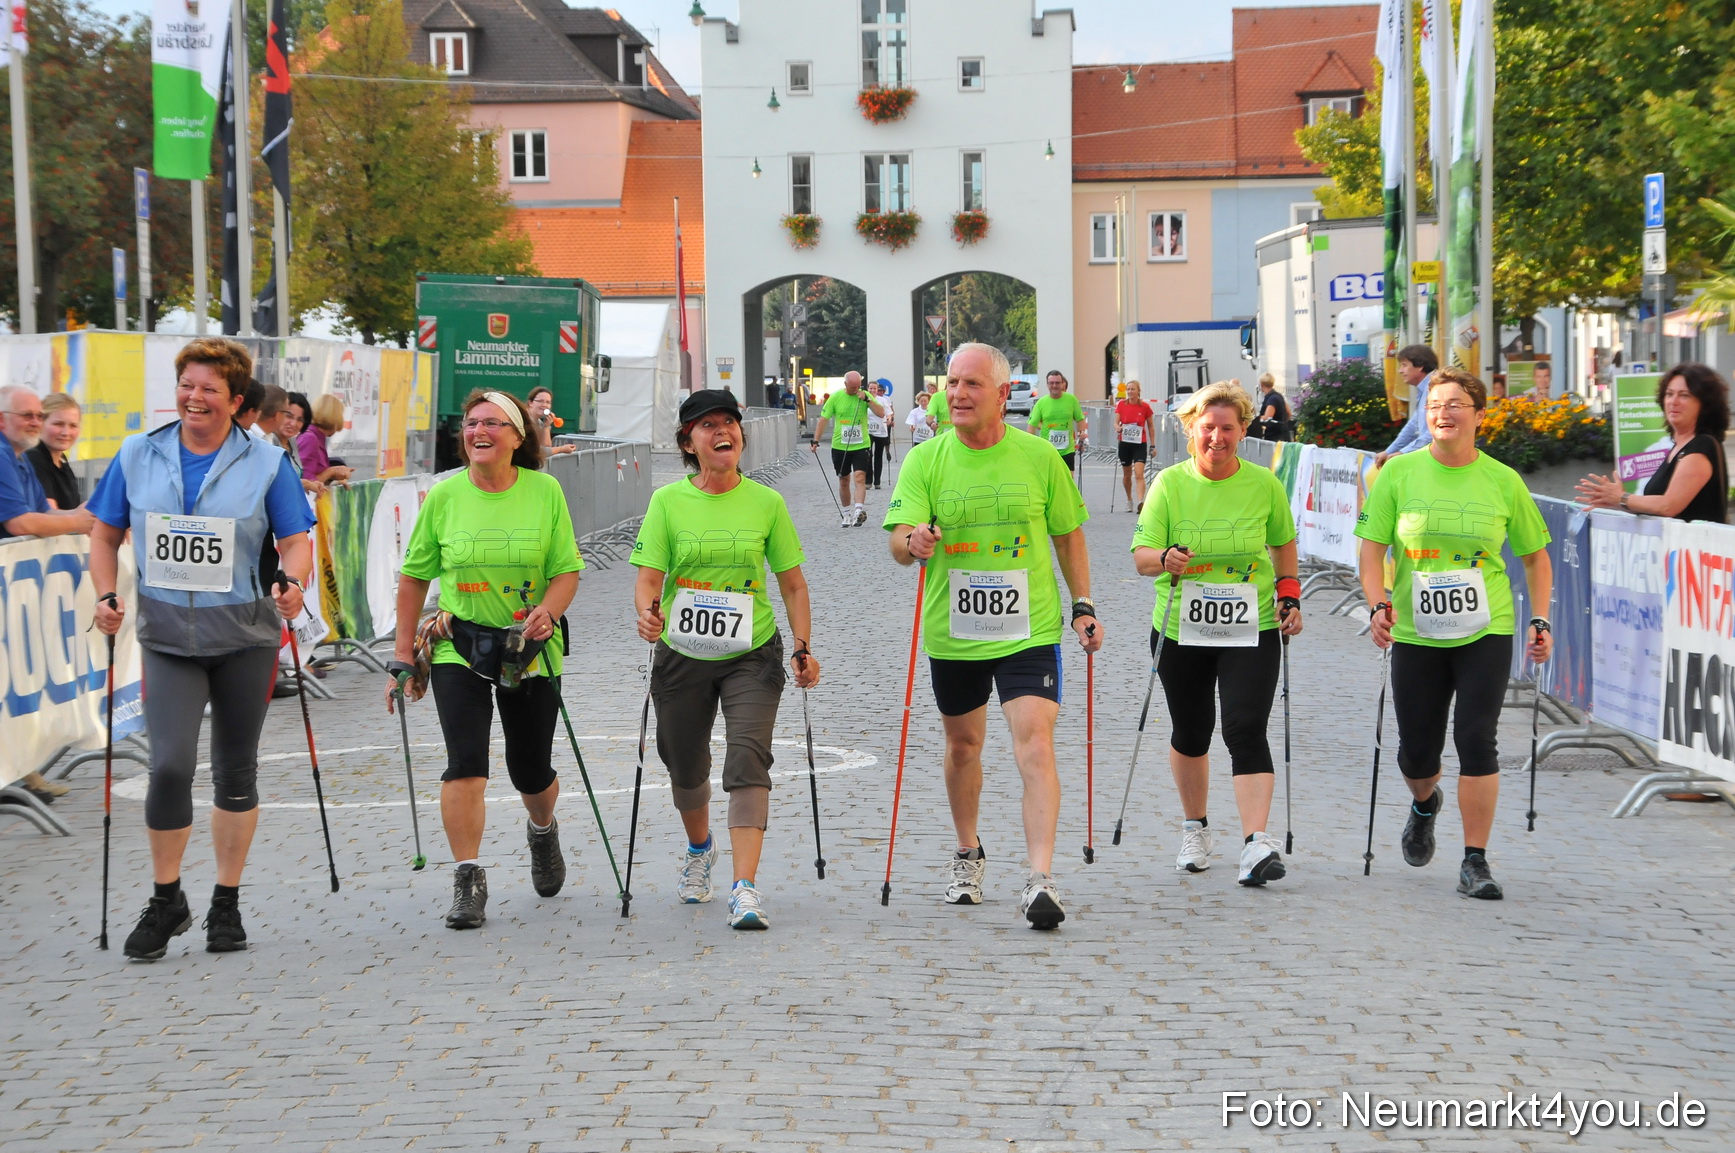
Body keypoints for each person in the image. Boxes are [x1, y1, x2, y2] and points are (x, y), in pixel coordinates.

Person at [87, 338, 315, 959]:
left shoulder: (267, 463)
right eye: (187, 384)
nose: (194, 397)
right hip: (167, 638)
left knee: (236, 770)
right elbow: (103, 536)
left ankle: (226, 901)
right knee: (168, 766)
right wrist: (106, 594)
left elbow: (298, 542)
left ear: (235, 400)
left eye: (209, 388)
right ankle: (167, 899)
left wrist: (293, 585)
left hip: (243, 635)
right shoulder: (138, 453)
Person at [884, 342, 1103, 930]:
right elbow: (899, 541)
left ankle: (1040, 877)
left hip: (1027, 627)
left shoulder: (1037, 457)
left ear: (1003, 395)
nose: (957, 394)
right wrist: (914, 543)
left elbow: (1068, 535)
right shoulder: (925, 460)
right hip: (954, 632)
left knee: (1034, 740)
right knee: (963, 747)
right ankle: (968, 852)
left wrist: (1082, 604)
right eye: (951, 382)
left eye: (971, 384)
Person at [387, 390, 582, 930]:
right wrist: (404, 653)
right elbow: (413, 577)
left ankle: (542, 830)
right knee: (465, 760)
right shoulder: (444, 497)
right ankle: (468, 877)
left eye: (493, 424)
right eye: (472, 423)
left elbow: (567, 569)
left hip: (529, 646)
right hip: (459, 643)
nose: (479, 432)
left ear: (518, 436)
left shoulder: (545, 492)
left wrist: (548, 609)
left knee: (530, 769)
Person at [1356, 367, 1553, 901]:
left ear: (1479, 415)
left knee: (1475, 736)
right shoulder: (1397, 475)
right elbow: (1372, 549)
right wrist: (1377, 603)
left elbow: (1536, 558)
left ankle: (1475, 860)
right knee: (1417, 753)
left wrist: (1540, 618)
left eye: (1455, 404)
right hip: (1417, 632)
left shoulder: (1503, 480)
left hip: (1485, 628)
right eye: (1435, 405)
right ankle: (1424, 803)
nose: (1443, 413)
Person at [631, 389, 820, 930]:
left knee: (747, 758)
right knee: (684, 762)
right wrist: (647, 614)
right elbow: (648, 577)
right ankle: (699, 850)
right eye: (707, 425)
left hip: (751, 652)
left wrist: (803, 646)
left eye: (730, 423)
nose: (723, 432)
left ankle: (745, 887)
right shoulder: (668, 502)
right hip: (682, 652)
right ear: (689, 441)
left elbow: (792, 582)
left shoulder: (767, 503)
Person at [1131, 381, 1303, 885]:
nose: (1217, 438)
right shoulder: (1169, 484)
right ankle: (1196, 827)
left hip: (1252, 624)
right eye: (1208, 428)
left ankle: (1255, 843)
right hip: (1181, 627)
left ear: (1243, 431)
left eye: (1228, 428)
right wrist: (1165, 559)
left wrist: (1289, 594)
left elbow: (1283, 545)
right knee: (1192, 730)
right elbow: (1142, 558)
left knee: (1245, 727)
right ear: (1191, 430)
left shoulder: (1263, 485)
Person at [1576, 362, 1729, 525]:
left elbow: (1668, 506)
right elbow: (1658, 509)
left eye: (1684, 395)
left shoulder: (1701, 447)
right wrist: (1617, 502)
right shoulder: (1678, 448)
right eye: (1669, 394)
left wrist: (1622, 498)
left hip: (1693, 549)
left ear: (1705, 404)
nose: (1673, 401)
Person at [0, 385, 94, 539]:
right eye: (27, 415)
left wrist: (88, 514)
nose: (36, 422)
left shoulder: (20, 456)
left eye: (40, 416)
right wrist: (77, 521)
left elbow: (44, 511)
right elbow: (19, 523)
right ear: (2, 419)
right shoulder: (4, 455)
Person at [810, 370, 885, 527]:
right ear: (845, 385)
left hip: (861, 444)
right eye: (853, 387)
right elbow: (823, 419)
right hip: (840, 445)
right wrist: (815, 440)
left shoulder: (864, 395)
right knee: (844, 480)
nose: (856, 389)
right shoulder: (835, 397)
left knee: (859, 477)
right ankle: (846, 514)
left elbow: (881, 413)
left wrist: (868, 401)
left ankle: (858, 512)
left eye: (858, 385)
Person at [1374, 344, 1441, 466]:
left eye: (1404, 365)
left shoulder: (1434, 389)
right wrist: (1389, 451)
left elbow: (1432, 433)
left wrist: (1402, 453)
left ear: (1420, 365)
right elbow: (1413, 426)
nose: (1400, 370)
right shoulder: (1425, 389)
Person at [28, 392, 84, 511]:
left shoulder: (61, 461)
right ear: (40, 423)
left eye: (73, 426)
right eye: (58, 424)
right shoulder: (34, 458)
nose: (66, 433)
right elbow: (50, 513)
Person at [1028, 370, 1088, 479]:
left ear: (1062, 384)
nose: (1054, 386)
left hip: (1067, 449)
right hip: (1047, 450)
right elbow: (1032, 425)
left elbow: (1080, 419)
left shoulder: (1071, 400)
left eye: (1057, 383)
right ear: (1047, 385)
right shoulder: (1041, 402)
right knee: (1049, 481)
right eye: (1051, 383)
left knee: (1068, 481)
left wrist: (1081, 435)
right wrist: (1031, 445)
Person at [1114, 380, 1156, 511]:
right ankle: (1129, 500)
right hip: (1125, 443)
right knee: (1127, 475)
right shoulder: (1121, 405)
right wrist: (1117, 428)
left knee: (1139, 474)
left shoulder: (1145, 407)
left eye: (1133, 389)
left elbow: (1150, 426)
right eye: (1128, 389)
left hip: (1139, 444)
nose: (1130, 392)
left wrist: (1153, 445)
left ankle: (1140, 502)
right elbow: (1116, 422)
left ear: (1138, 391)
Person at [297, 394, 354, 487]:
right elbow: (306, 482)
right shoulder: (310, 439)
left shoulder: (315, 437)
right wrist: (331, 472)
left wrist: (333, 483)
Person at [528, 386, 577, 456]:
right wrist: (561, 449)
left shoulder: (539, 423)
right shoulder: (524, 421)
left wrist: (546, 427)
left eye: (548, 402)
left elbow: (546, 447)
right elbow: (535, 451)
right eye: (540, 401)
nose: (544, 405)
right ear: (530, 403)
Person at [867, 380, 894, 489]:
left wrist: (889, 419)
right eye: (871, 388)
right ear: (868, 389)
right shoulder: (865, 400)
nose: (873, 390)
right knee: (868, 455)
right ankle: (868, 481)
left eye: (874, 388)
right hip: (868, 430)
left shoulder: (882, 400)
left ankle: (877, 481)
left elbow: (889, 413)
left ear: (877, 390)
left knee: (878, 455)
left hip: (881, 431)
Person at [1255, 372, 1292, 442]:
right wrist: (1282, 423)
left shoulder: (1272, 399)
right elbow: (1289, 413)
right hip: (1284, 435)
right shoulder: (1279, 396)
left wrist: (1255, 419)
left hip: (1275, 437)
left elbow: (1267, 417)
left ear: (1261, 384)